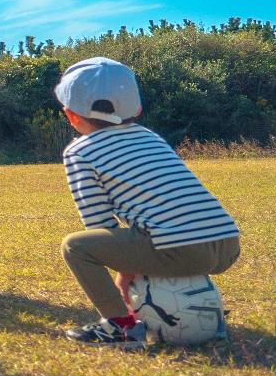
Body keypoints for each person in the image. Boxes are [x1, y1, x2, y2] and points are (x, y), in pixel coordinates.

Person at [53, 57, 242, 347]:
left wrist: (123, 270)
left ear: (71, 115)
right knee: (159, 241)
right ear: (138, 108)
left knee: (75, 247)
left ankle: (121, 328)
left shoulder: (80, 152)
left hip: (182, 249)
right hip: (227, 243)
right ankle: (198, 311)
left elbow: (98, 221)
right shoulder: (150, 137)